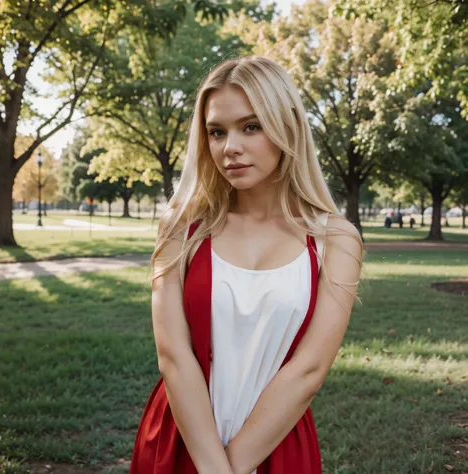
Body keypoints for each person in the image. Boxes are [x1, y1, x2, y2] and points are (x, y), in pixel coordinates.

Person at [129, 56, 363, 474]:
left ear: (286, 126)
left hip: (276, 444)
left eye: (250, 127)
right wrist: (212, 465)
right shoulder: (182, 227)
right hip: (181, 439)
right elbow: (173, 355)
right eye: (217, 132)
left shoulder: (336, 241)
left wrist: (232, 466)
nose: (229, 147)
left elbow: (308, 372)